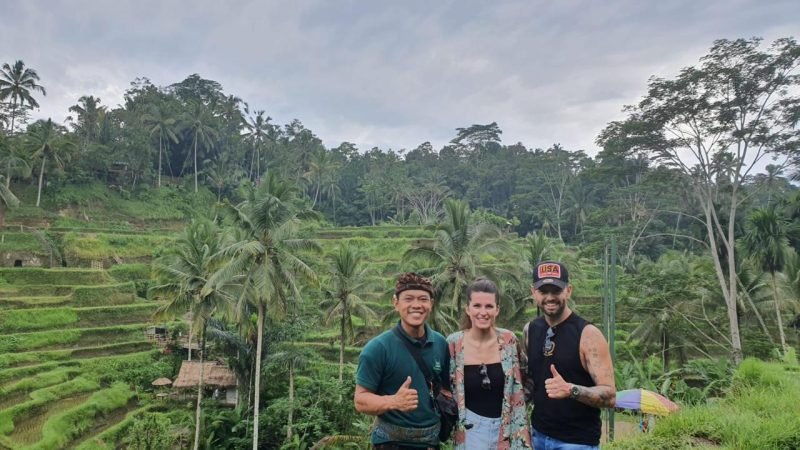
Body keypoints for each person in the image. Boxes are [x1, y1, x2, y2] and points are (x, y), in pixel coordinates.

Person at [522, 261, 616, 449]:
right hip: (538, 436)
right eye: (543, 291)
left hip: (576, 442)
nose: (550, 297)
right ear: (533, 292)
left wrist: (571, 390)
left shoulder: (588, 334)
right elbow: (531, 381)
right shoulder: (530, 330)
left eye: (556, 290)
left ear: (568, 291)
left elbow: (610, 396)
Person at [355, 272, 450, 450]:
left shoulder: (440, 343)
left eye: (423, 299)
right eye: (408, 299)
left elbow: (445, 389)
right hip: (391, 444)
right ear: (395, 303)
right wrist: (393, 402)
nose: (416, 305)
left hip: (431, 444)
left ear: (431, 304)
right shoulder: (378, 348)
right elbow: (360, 401)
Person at [446, 278, 532, 450]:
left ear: (497, 309)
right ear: (467, 308)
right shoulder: (454, 344)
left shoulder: (509, 341)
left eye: (489, 306)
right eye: (477, 306)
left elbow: (524, 376)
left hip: (508, 427)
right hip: (471, 430)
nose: (483, 312)